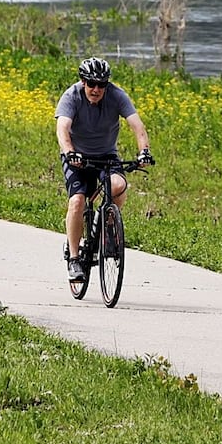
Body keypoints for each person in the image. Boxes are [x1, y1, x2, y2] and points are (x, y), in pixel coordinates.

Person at [55, 56, 153, 281]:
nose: (96, 89)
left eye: (101, 85)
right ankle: (74, 257)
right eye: (91, 83)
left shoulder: (117, 96)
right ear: (83, 82)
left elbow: (137, 126)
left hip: (106, 155)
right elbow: (62, 129)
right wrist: (70, 152)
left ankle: (106, 226)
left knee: (118, 185)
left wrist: (144, 152)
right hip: (76, 156)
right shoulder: (71, 96)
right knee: (77, 201)